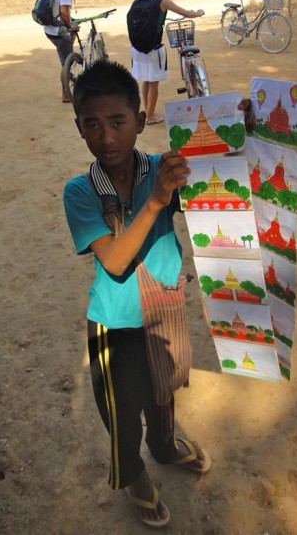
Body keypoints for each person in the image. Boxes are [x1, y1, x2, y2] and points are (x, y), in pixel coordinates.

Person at [62, 60, 210, 528]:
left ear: (140, 122)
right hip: (114, 325)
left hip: (163, 311)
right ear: (79, 127)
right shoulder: (81, 192)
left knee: (164, 397)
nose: (106, 137)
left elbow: (223, 180)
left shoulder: (165, 169)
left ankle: (164, 448)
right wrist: (156, 201)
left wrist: (238, 128)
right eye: (92, 125)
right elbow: (116, 261)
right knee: (122, 417)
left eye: (118, 122)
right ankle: (134, 475)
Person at [131, 0, 205, 125]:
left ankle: (147, 111)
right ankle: (150, 116)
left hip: (138, 48)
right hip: (152, 48)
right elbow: (186, 13)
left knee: (146, 80)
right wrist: (198, 13)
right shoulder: (163, 1)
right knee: (154, 84)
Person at [43, 0, 85, 103]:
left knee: (66, 59)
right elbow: (64, 11)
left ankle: (66, 91)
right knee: (67, 62)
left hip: (49, 29)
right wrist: (71, 26)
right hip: (58, 31)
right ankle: (66, 94)